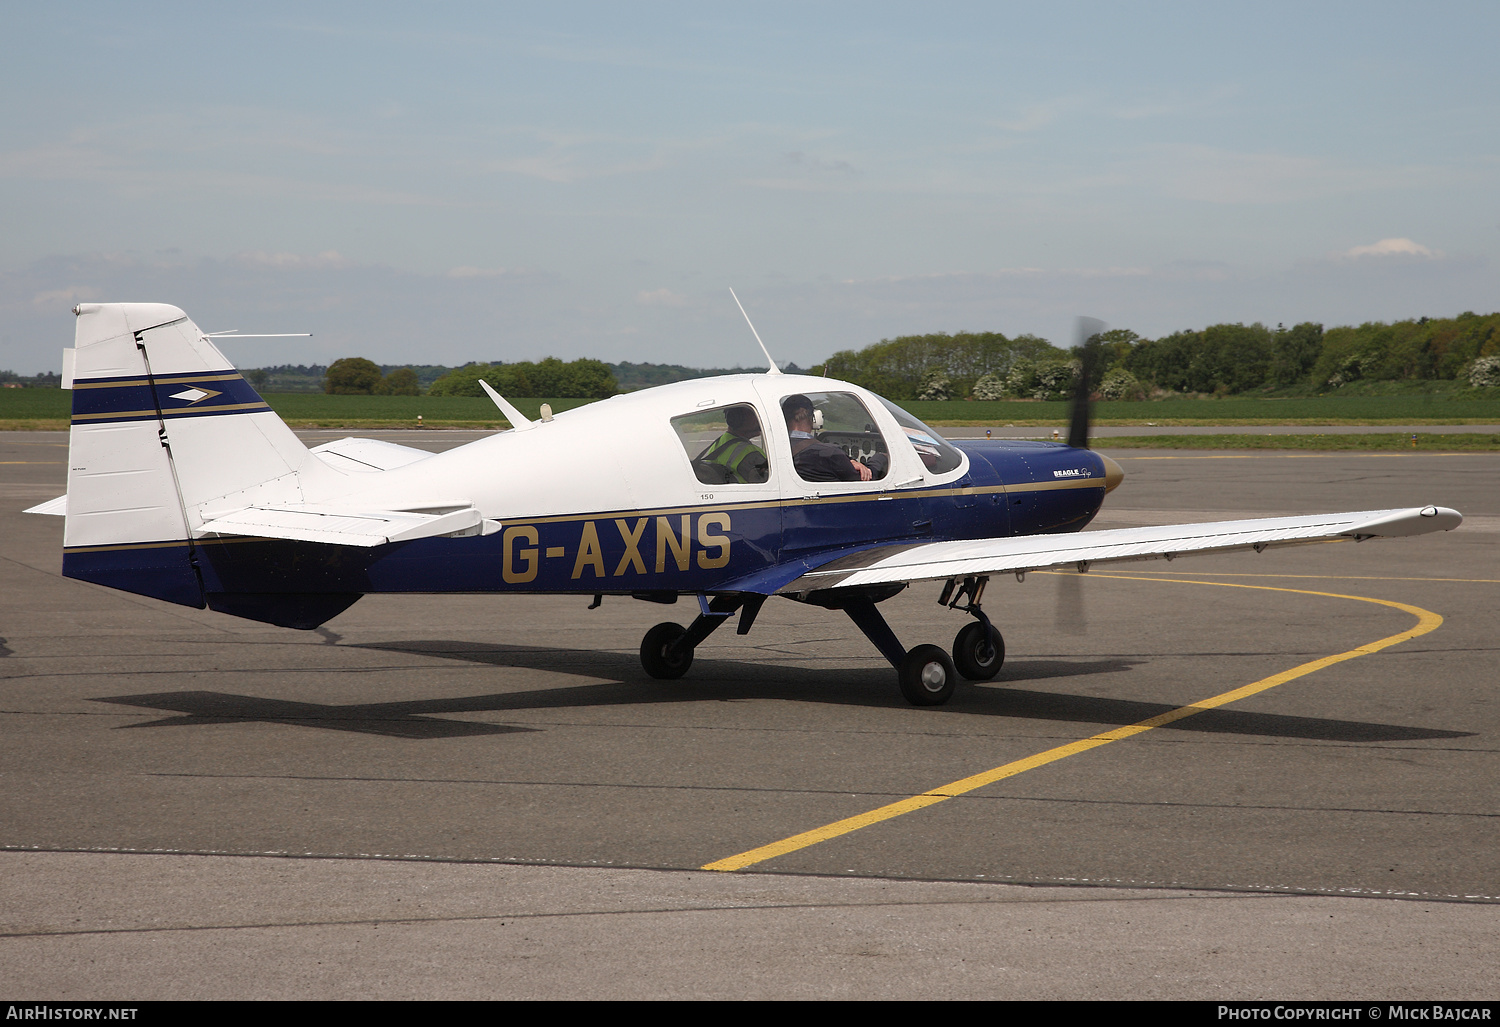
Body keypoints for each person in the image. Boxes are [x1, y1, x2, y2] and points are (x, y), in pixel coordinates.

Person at [781, 393, 874, 482]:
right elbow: (862, 480)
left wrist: (849, 462)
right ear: (815, 418)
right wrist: (881, 458)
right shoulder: (831, 453)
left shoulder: (776, 449)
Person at [699, 405, 769, 483]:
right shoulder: (751, 454)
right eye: (754, 414)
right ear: (738, 420)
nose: (759, 419)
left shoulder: (720, 442)